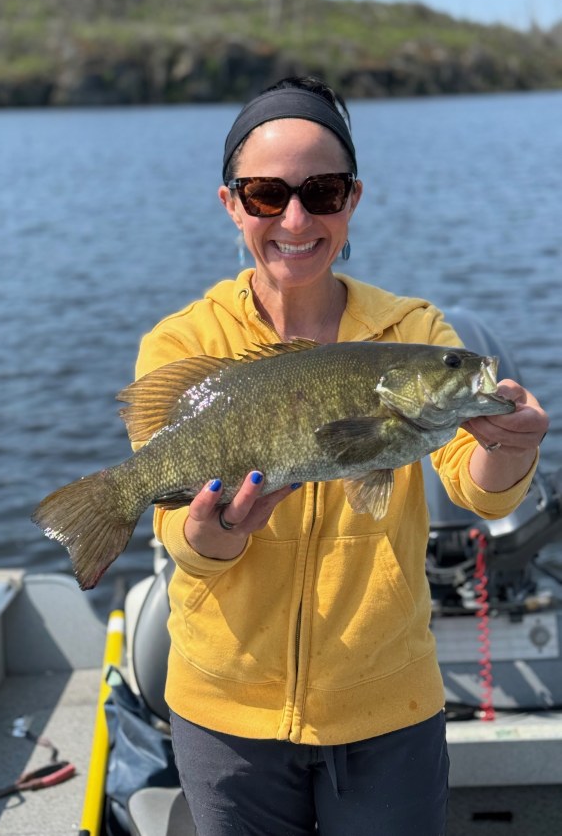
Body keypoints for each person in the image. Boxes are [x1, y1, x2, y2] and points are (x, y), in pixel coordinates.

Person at [132, 76, 549, 836]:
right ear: (231, 202)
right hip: (226, 714)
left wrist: (510, 450)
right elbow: (181, 540)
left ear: (353, 199)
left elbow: (479, 488)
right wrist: (218, 533)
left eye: (322, 192)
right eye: (266, 194)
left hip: (387, 707)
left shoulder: (414, 330)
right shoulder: (182, 344)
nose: (296, 218)